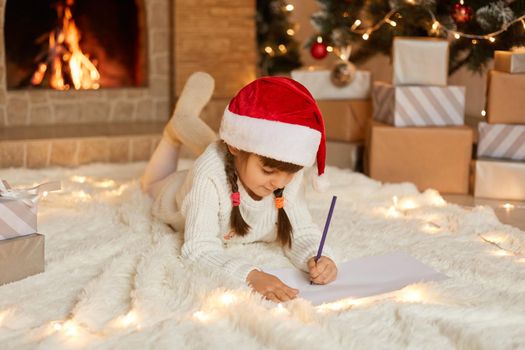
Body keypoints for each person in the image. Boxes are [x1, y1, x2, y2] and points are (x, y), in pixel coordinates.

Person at [141, 72, 338, 302]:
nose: (280, 183)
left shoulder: (286, 172)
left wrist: (318, 256)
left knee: (218, 152)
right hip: (178, 190)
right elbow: (198, 249)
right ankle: (177, 127)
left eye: (291, 173)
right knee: (151, 184)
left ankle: (191, 127)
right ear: (235, 146)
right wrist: (250, 275)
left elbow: (301, 231)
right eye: (268, 170)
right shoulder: (208, 175)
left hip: (231, 163)